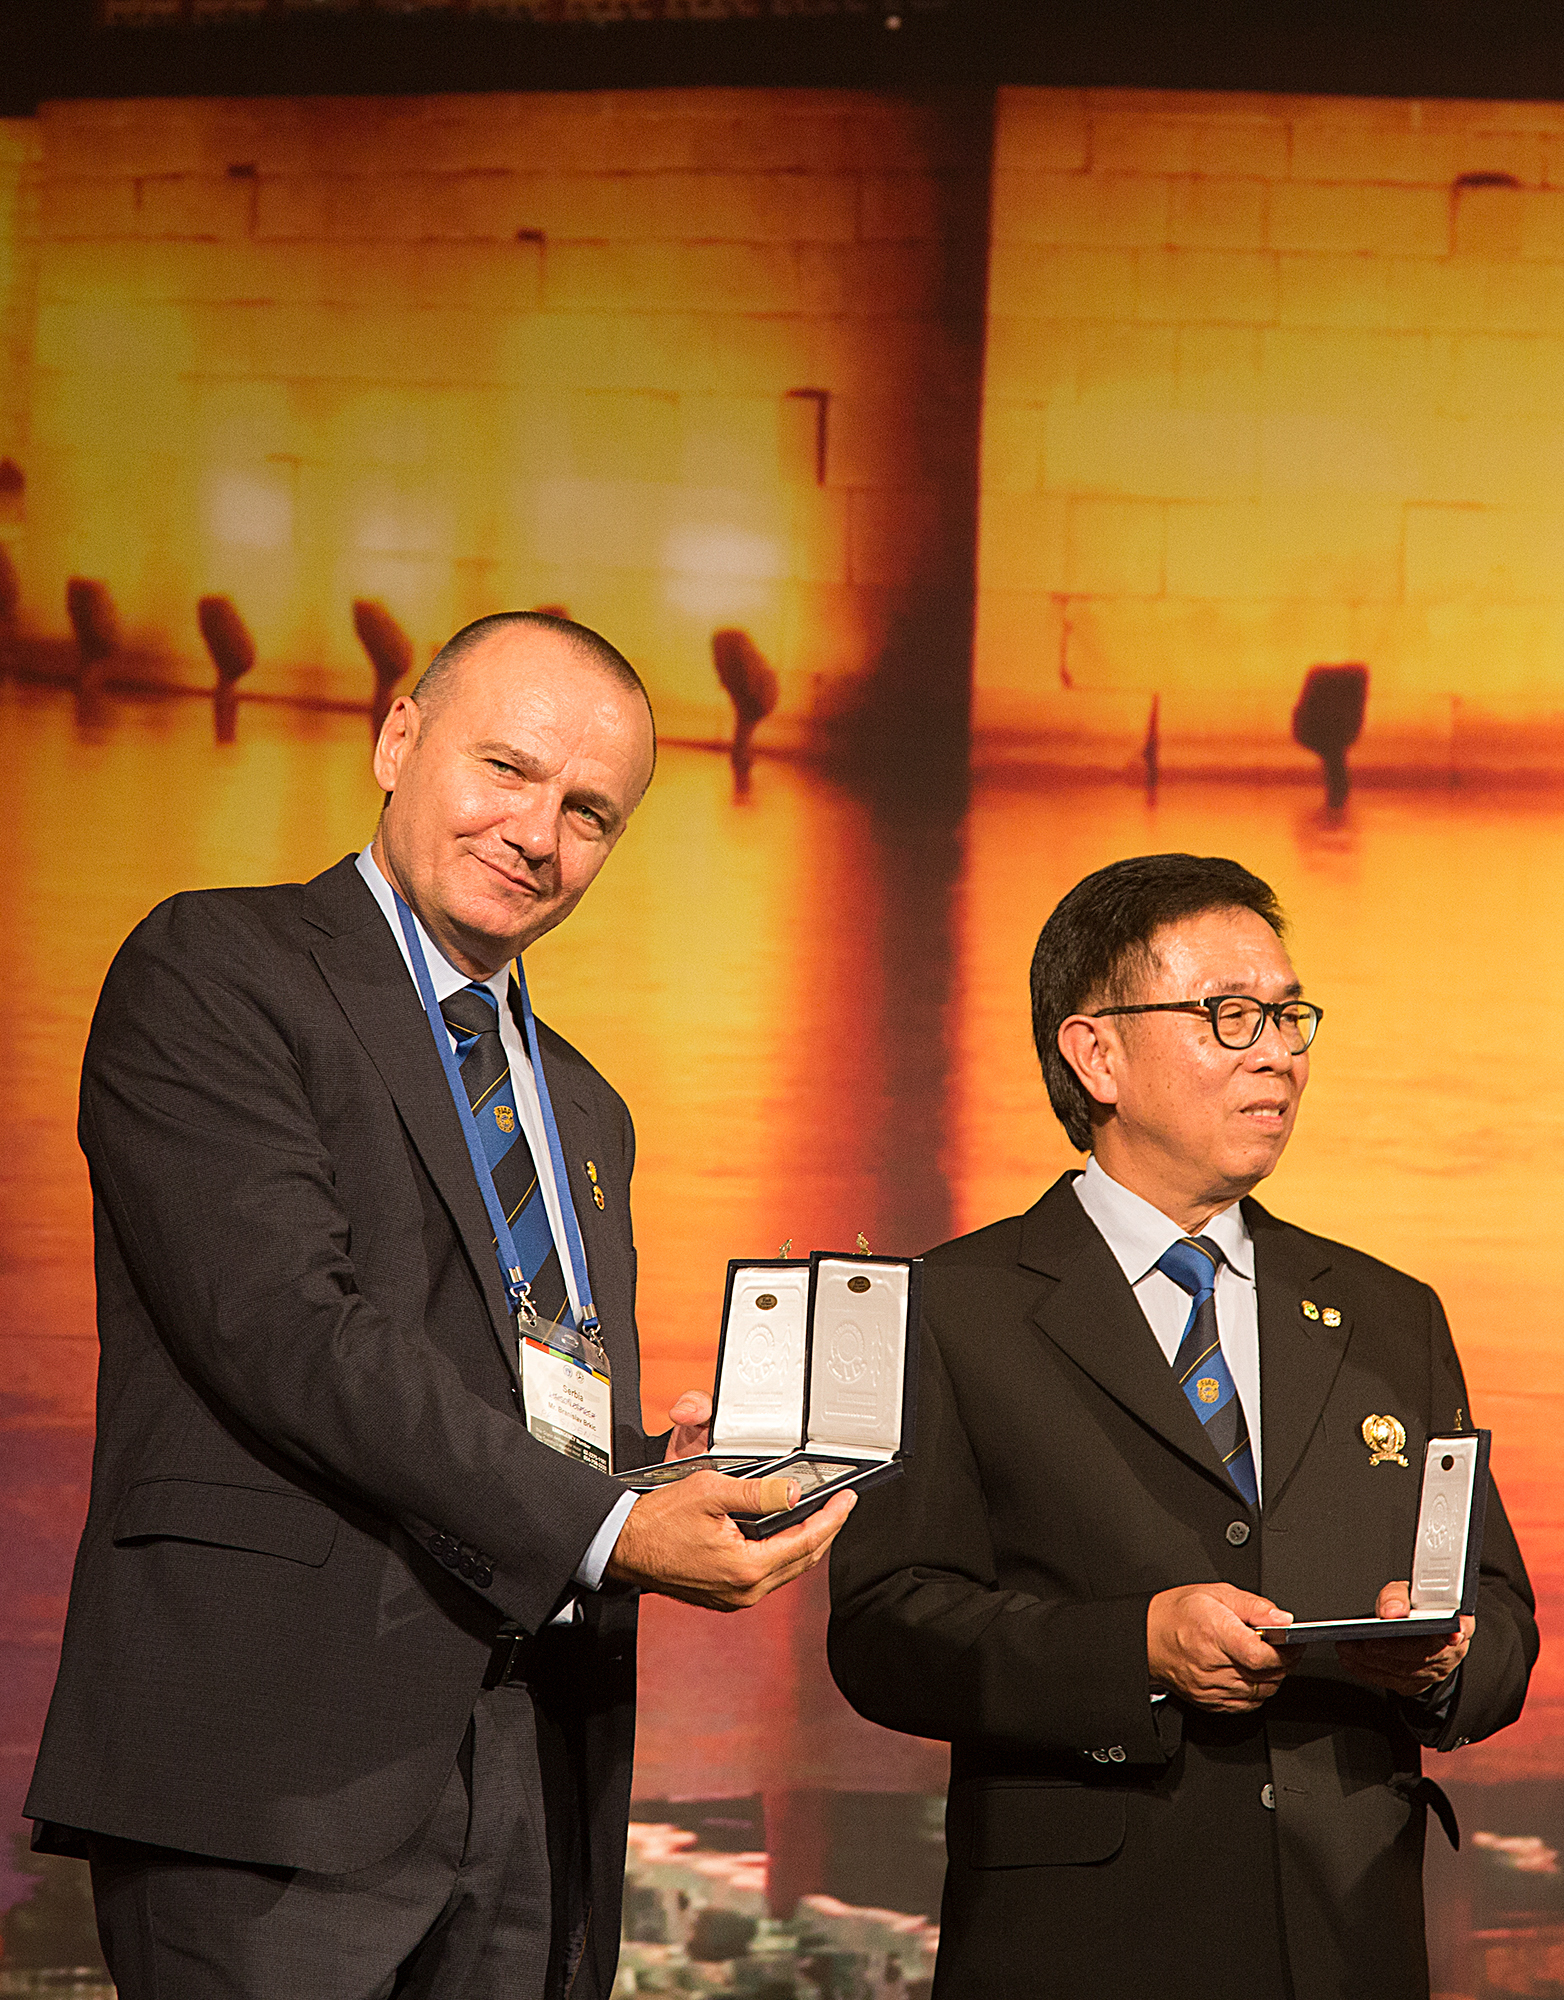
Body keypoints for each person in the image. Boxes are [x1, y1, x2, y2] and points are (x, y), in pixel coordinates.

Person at [25, 611, 854, 2000]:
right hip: (274, 1764)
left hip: (531, 1762)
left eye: (589, 812)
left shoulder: (585, 1103)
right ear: (397, 738)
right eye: (507, 769)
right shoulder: (217, 967)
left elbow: (515, 1393)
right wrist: (610, 1526)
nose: (538, 833)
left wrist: (652, 1472)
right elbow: (291, 1332)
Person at [827, 852, 1536, 2000]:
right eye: (1229, 1014)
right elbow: (885, 1630)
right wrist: (1137, 1647)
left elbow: (1498, 1612)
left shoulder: (1388, 1312)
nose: (1278, 1052)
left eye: (1290, 1015)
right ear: (1094, 1053)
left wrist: (1445, 1658)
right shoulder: (950, 1306)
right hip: (1085, 1945)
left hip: (1345, 1937)